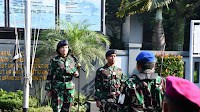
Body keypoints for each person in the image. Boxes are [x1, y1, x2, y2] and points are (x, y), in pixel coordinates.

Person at [45, 40, 79, 112]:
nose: (64, 49)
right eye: (62, 48)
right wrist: (48, 89)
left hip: (69, 86)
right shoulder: (54, 61)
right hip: (58, 86)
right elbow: (50, 75)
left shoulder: (72, 60)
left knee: (67, 108)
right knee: (57, 108)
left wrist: (76, 74)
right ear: (58, 49)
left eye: (66, 47)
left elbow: (75, 71)